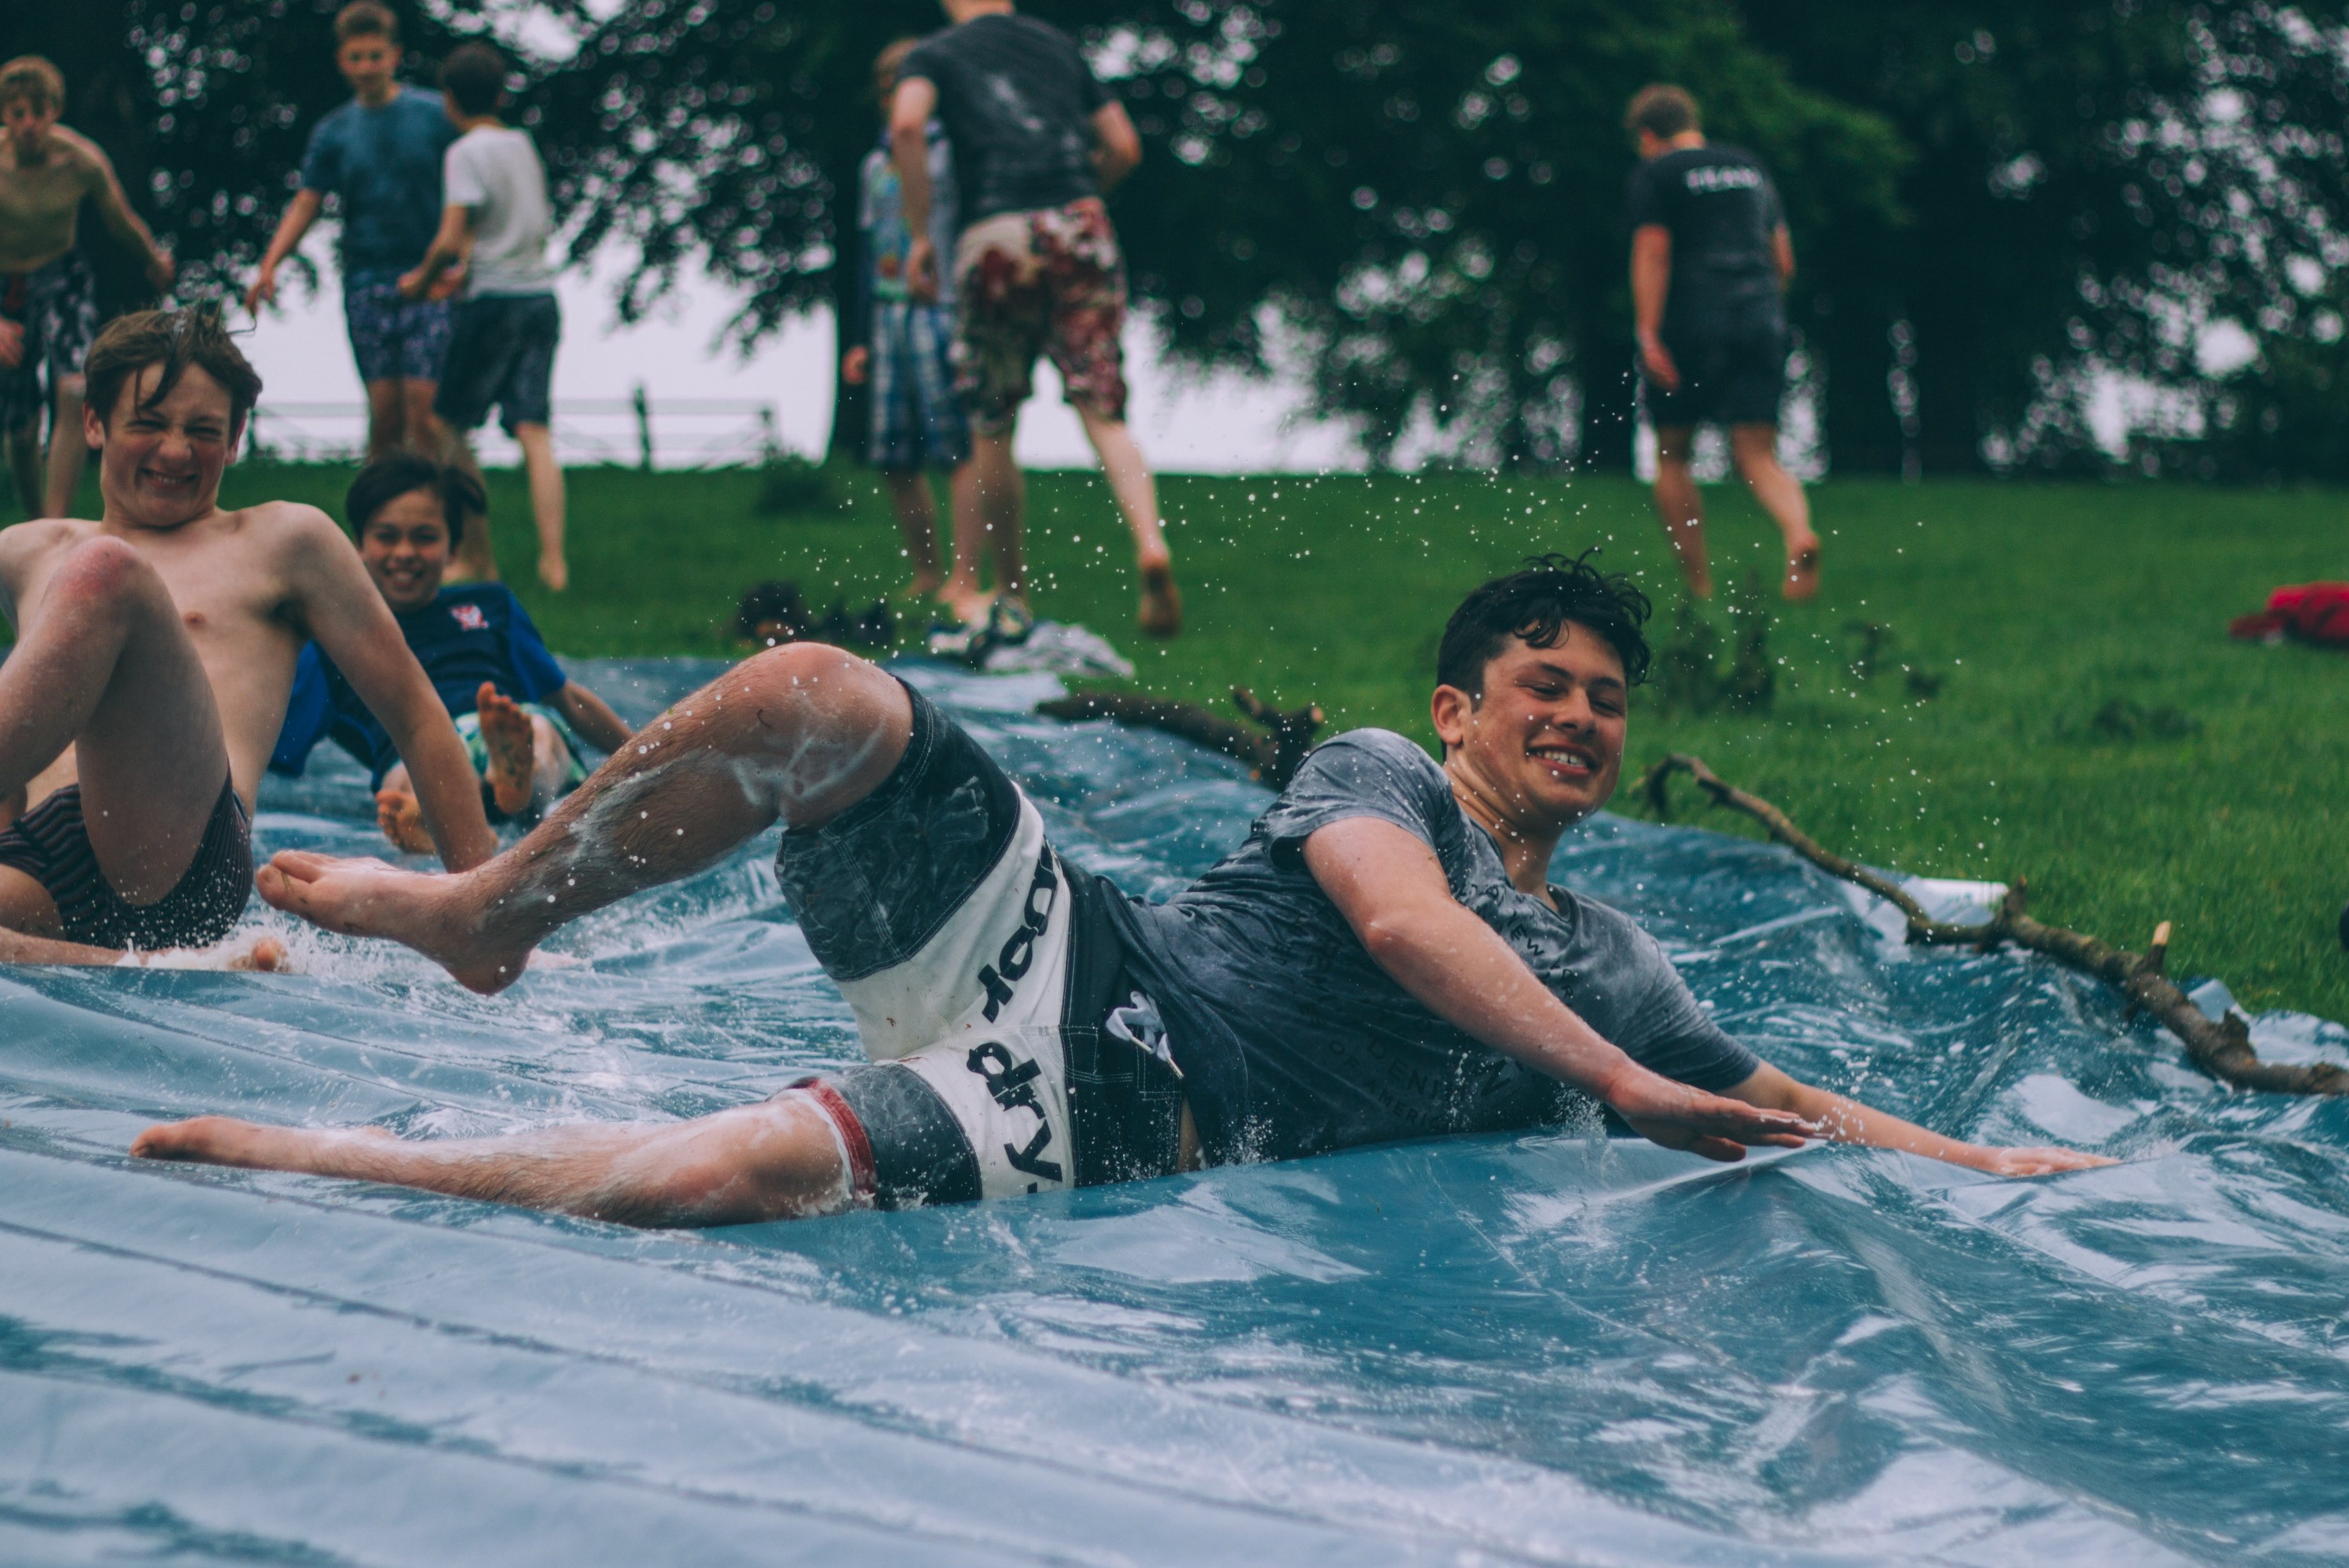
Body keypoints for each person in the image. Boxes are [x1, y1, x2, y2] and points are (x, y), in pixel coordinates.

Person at [136, 555, 2111, 1225]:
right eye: (1543, 691)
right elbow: (1402, 928)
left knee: (706, 1186)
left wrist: (1965, 1164)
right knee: (822, 692)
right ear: (1459, 706)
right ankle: (496, 905)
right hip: (1081, 950)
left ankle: (326, 1162)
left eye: (1606, 703)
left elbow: (1767, 1094)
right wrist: (1615, 1084)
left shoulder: (1613, 954)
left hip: (1146, 1105)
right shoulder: (1379, 774)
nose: (1579, 724)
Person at [0, 310, 497, 967]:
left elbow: (416, 715)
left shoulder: (283, 541)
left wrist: (485, 914)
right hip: (46, 856)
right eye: (149, 422)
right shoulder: (24, 552)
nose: (176, 451)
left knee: (107, 572)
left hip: (180, 854)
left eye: (203, 431)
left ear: (235, 439)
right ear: (94, 424)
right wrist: (0, 839)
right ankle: (134, 967)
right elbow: (35, 714)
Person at [891, 0, 1180, 639]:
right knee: (1102, 407)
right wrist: (1078, 206)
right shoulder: (1056, 46)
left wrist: (919, 237)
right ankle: (1149, 546)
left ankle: (1013, 593)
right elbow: (1123, 147)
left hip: (995, 232)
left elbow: (907, 127)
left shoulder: (935, 54)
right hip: (1077, 220)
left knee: (993, 423)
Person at [270, 454, 633, 855]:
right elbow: (270, 731)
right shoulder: (334, 642)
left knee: (538, 735)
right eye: (387, 536)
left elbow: (565, 698)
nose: (405, 552)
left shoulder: (490, 606)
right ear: (358, 545)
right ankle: (464, 813)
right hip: (418, 755)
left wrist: (639, 752)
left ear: (454, 549)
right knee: (407, 778)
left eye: (424, 537)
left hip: (503, 726)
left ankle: (496, 792)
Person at [0, 56, 178, 521]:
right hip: (1, 288)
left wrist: (152, 257)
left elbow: (119, 218)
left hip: (62, 275)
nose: (29, 124)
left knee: (73, 389)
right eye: (18, 113)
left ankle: (57, 521)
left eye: (39, 112)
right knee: (21, 426)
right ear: (2, 115)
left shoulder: (81, 161)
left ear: (56, 110)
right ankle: (35, 524)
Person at [1624, 85, 1821, 603]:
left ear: (1647, 136)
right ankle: (1799, 532)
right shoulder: (1748, 167)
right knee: (1758, 454)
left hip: (1692, 319)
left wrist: (1648, 332)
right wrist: (1761, 312)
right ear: (1691, 122)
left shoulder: (1656, 174)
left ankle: (1700, 586)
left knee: (1673, 455)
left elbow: (1653, 250)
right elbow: (1784, 260)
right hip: (1760, 316)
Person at [243, 1, 458, 468]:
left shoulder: (435, 116)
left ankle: (445, 523)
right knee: (385, 416)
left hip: (431, 275)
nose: (366, 67)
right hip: (367, 278)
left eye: (375, 56)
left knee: (426, 414)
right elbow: (308, 202)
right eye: (357, 58)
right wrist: (270, 263)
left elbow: (471, 187)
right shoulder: (334, 132)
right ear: (342, 61)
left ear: (395, 55)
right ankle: (372, 530)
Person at [403, 43, 564, 592]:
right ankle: (555, 565)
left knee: (446, 425)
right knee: (534, 430)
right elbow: (514, 227)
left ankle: (477, 557)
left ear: (449, 100)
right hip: (541, 297)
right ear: (501, 95)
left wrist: (420, 282)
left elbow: (452, 237)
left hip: (494, 302)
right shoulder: (523, 144)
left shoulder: (465, 152)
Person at [840, 36, 970, 604]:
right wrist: (861, 337)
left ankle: (966, 576)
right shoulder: (875, 164)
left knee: (958, 446)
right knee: (893, 452)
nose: (895, 87)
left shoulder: (954, 154)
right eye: (887, 79)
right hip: (889, 314)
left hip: (941, 311)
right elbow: (871, 251)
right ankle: (927, 572)